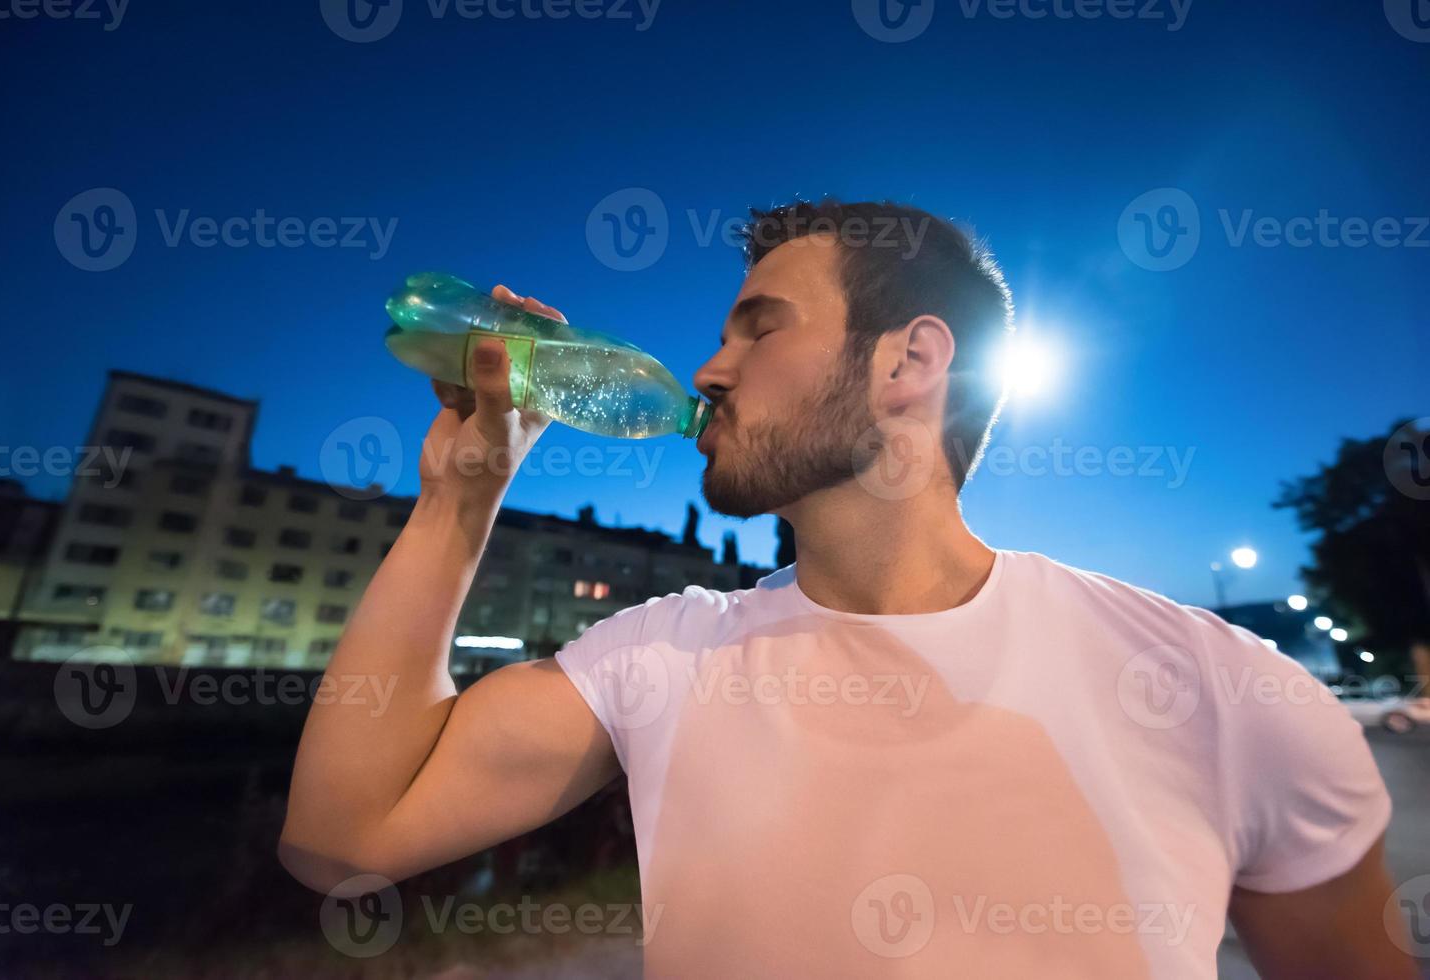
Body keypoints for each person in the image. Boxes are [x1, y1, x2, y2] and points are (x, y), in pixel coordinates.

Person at [279, 199, 1416, 978]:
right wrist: (457, 501)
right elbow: (341, 839)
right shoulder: (660, 655)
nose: (709, 369)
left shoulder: (1212, 683)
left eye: (755, 328)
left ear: (907, 363)